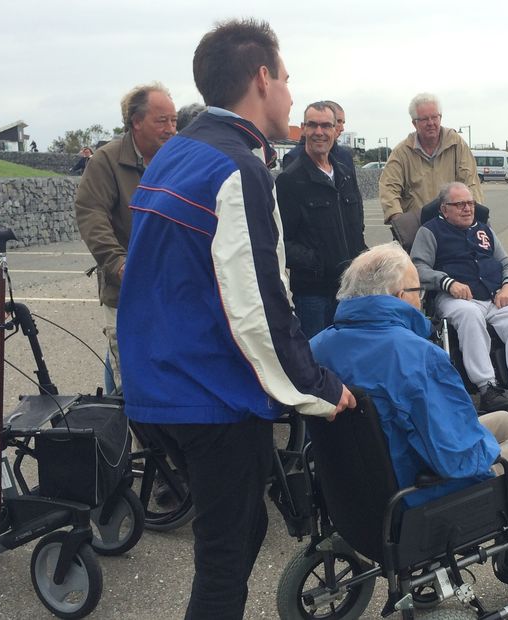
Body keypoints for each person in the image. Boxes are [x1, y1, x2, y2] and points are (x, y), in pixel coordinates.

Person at [117, 19, 355, 619]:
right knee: (225, 561)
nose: (293, 98)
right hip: (209, 392)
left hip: (159, 381)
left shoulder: (178, 151)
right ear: (261, 78)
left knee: (240, 535)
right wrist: (320, 388)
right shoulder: (235, 169)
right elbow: (257, 308)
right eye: (288, 80)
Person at [309, 242, 508, 619]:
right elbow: (459, 458)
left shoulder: (319, 345)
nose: (421, 300)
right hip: (423, 496)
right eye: (416, 291)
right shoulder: (415, 355)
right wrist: (488, 450)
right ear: (394, 296)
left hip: (361, 488)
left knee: (504, 422)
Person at [411, 182, 508, 413]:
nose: (467, 209)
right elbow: (417, 267)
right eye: (460, 204)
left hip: (493, 296)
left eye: (470, 203)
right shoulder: (430, 231)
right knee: (470, 314)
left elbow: (507, 263)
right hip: (454, 298)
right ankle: (487, 389)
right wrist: (448, 282)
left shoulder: (484, 229)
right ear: (444, 209)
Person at [74, 83, 176, 394]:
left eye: (174, 120)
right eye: (162, 121)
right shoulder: (106, 161)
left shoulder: (176, 159)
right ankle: (129, 437)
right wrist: (117, 263)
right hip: (127, 291)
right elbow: (91, 214)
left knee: (162, 370)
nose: (171, 129)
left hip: (172, 291)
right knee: (131, 379)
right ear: (135, 121)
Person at [275, 101, 367, 337]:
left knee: (350, 357)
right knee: (317, 362)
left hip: (350, 290)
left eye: (326, 126)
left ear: (336, 130)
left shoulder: (345, 174)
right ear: (304, 128)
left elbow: (357, 227)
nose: (319, 132)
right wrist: (318, 262)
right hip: (314, 296)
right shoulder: (290, 180)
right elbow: (281, 241)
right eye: (313, 125)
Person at [379, 93, 483, 223]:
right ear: (414, 123)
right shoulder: (402, 152)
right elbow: (388, 187)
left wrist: (474, 217)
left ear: (440, 117)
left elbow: (471, 181)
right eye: (424, 119)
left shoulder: (456, 144)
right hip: (418, 224)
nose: (431, 123)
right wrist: (398, 218)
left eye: (434, 117)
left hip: (453, 224)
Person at [281, 99, 354, 170]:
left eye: (326, 125)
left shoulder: (345, 157)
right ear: (303, 128)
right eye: (338, 121)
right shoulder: (294, 158)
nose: (342, 128)